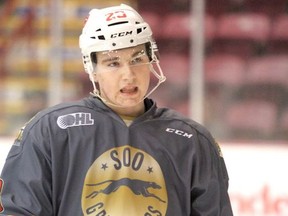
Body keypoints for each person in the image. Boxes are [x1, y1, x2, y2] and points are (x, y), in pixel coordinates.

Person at [0, 4, 233, 216]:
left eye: (137, 59)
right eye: (113, 63)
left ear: (152, 59)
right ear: (92, 69)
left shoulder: (193, 140)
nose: (128, 75)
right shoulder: (50, 132)